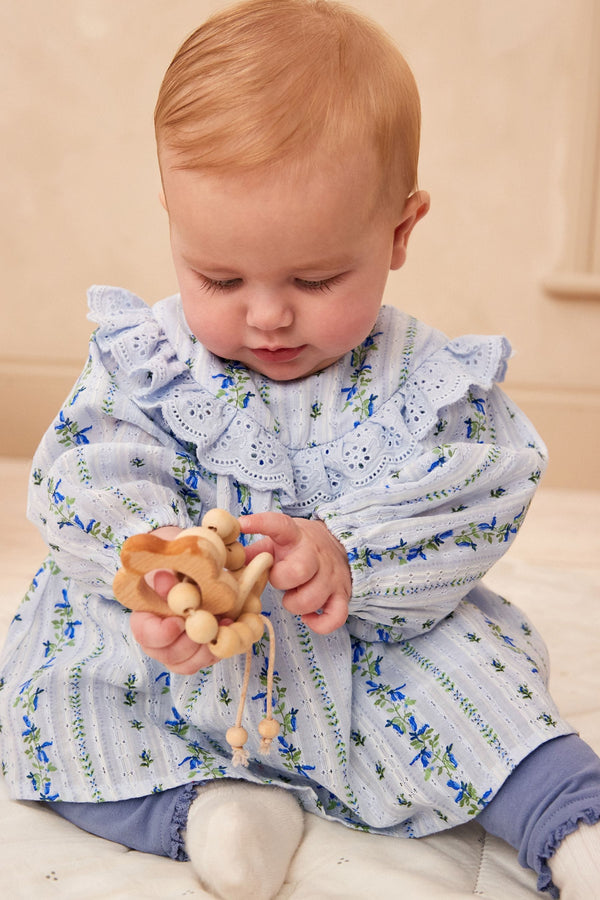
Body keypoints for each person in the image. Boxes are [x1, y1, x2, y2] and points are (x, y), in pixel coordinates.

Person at [0, 1, 598, 897]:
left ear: (399, 233)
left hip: (363, 647)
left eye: (316, 279)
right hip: (185, 653)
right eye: (219, 277)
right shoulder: (148, 361)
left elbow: (477, 488)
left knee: (479, 683)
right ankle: (203, 810)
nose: (268, 314)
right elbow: (86, 469)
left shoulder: (426, 380)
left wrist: (350, 558)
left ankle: (571, 825)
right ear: (173, 221)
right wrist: (159, 564)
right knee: (56, 688)